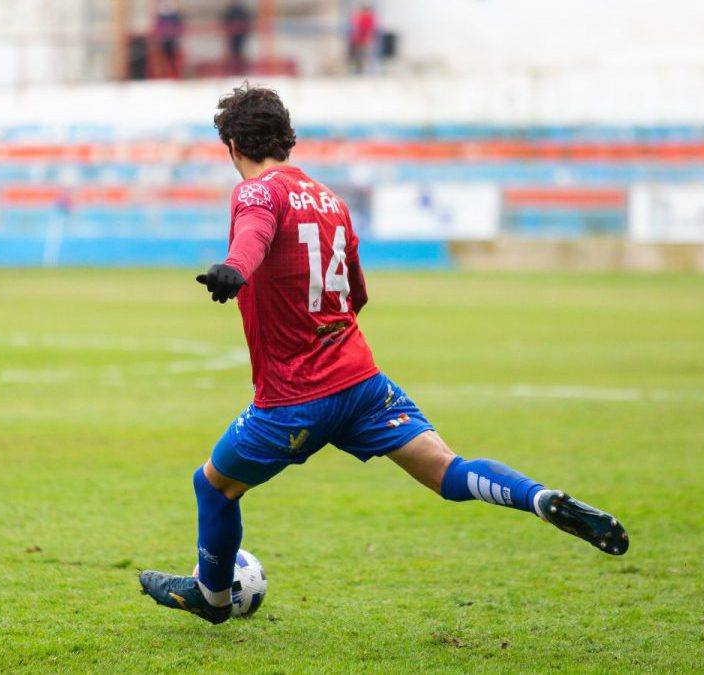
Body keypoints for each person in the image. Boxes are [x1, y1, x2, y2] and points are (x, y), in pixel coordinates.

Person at [138, 84, 629, 625]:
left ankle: (211, 597)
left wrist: (235, 268)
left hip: (294, 399)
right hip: (362, 383)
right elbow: (357, 293)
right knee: (447, 468)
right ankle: (537, 498)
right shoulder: (331, 201)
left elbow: (253, 234)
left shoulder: (256, 192)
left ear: (231, 145)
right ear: (286, 138)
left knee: (212, 485)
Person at [153, 1, 185, 79]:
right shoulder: (161, 15)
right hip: (164, 40)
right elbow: (158, 27)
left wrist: (177, 35)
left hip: (173, 40)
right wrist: (159, 36)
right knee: (164, 60)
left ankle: (175, 76)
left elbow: (179, 26)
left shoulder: (175, 14)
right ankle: (166, 76)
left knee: (174, 59)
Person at [221, 1, 252, 74]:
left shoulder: (240, 11)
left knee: (238, 51)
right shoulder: (233, 11)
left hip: (240, 35)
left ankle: (239, 69)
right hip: (233, 34)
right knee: (234, 52)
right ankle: (234, 69)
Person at [348, 3, 377, 75]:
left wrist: (369, 37)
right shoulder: (358, 17)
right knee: (357, 55)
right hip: (357, 39)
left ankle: (366, 70)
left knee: (364, 54)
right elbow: (354, 26)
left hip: (365, 39)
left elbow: (371, 28)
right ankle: (357, 69)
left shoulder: (369, 18)